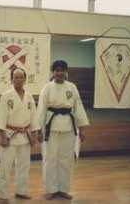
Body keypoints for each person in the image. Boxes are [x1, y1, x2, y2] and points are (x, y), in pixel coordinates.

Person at [37, 60, 89, 200]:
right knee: (50, 158)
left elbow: (78, 108)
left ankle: (64, 189)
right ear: (53, 72)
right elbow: (41, 110)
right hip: (51, 127)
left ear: (66, 72)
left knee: (66, 159)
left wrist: (82, 129)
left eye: (62, 70)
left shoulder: (72, 87)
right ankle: (51, 189)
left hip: (68, 127)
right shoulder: (47, 88)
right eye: (57, 70)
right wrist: (38, 130)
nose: (59, 73)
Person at [0, 68, 39, 204]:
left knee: (24, 166)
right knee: (5, 167)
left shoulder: (29, 97)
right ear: (11, 79)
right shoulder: (6, 96)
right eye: (16, 77)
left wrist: (34, 135)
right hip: (9, 135)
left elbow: (34, 117)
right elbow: (1, 117)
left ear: (25, 79)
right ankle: (3, 195)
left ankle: (21, 191)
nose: (19, 80)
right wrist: (2, 136)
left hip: (25, 136)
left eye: (21, 77)